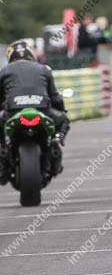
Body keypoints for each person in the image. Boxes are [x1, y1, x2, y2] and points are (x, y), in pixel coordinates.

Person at [0, 40, 70, 183]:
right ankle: (57, 139)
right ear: (32, 55)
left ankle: (3, 148)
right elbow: (55, 98)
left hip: (13, 111)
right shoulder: (44, 69)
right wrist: (61, 110)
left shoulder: (4, 71)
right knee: (63, 119)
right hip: (42, 109)